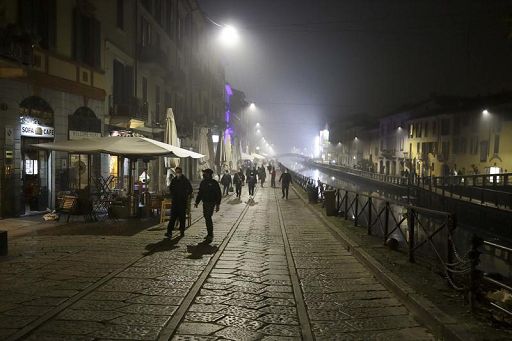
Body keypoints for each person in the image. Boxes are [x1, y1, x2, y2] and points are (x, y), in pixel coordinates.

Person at [194, 169, 222, 243]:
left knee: (208, 217)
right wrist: (197, 202)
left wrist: (218, 204)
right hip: (205, 202)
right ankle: (209, 233)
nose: (203, 174)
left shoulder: (214, 183)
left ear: (209, 174)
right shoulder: (203, 182)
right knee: (206, 217)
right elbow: (200, 193)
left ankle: (210, 234)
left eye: (205, 173)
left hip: (211, 202)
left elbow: (218, 194)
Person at [166, 167, 192, 238]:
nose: (178, 173)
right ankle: (169, 232)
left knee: (182, 218)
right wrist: (173, 194)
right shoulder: (174, 180)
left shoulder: (185, 180)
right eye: (177, 172)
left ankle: (182, 231)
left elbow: (190, 189)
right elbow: (171, 188)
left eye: (179, 172)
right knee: (172, 218)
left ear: (181, 172)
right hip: (175, 202)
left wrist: (185, 195)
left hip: (182, 202)